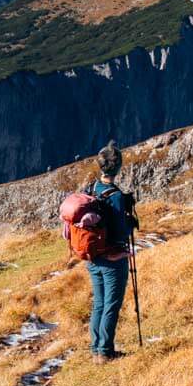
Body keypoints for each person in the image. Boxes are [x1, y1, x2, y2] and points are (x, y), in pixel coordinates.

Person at [81, 141, 138, 361]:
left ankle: (96, 348)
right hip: (112, 258)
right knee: (111, 304)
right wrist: (130, 221)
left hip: (93, 255)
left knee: (99, 302)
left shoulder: (92, 189)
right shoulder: (115, 196)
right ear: (118, 167)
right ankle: (105, 352)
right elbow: (120, 232)